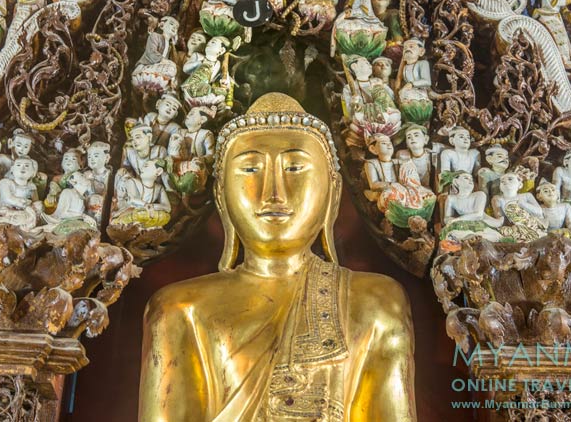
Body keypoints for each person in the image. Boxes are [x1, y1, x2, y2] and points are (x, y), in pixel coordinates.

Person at [138, 93, 417, 420]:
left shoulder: (377, 304)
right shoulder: (179, 310)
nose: (273, 192)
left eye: (295, 168)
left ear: (333, 192)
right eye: (250, 169)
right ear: (221, 196)